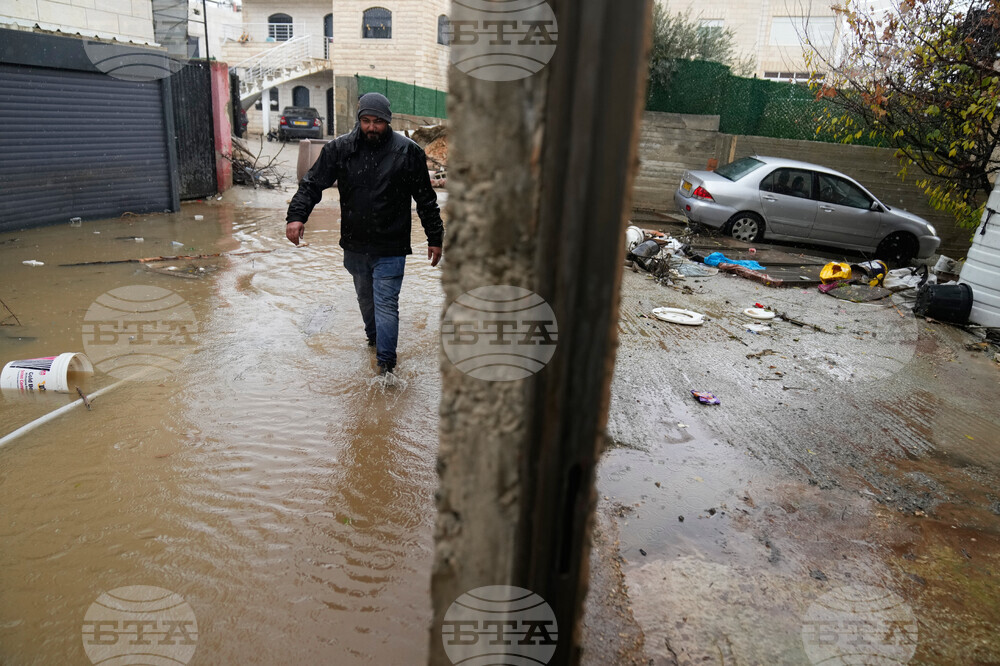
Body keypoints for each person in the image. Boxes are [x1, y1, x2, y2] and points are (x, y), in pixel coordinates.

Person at [285, 92, 444, 375]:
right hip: (355, 245)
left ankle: (385, 367)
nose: (372, 127)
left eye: (378, 122)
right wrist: (297, 216)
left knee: (386, 303)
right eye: (367, 121)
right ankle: (374, 340)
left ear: (388, 121)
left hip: (391, 245)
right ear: (359, 120)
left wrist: (435, 238)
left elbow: (426, 199)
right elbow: (312, 183)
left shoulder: (408, 152)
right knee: (366, 300)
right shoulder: (340, 149)